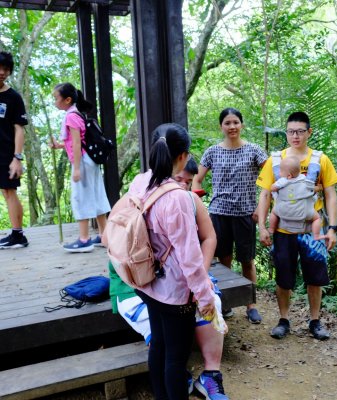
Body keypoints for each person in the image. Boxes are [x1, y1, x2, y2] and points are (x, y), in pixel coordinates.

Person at [109, 157, 229, 400]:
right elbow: (188, 257)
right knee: (174, 356)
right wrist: (201, 291)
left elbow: (207, 240)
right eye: (179, 179)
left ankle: (206, 376)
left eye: (188, 181)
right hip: (169, 290)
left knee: (163, 350)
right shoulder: (172, 200)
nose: (183, 185)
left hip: (150, 286)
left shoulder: (141, 190)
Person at [123, 123, 215, 400]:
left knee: (159, 347)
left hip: (147, 281)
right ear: (184, 156)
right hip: (175, 292)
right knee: (176, 358)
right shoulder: (177, 198)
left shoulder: (140, 182)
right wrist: (206, 296)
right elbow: (189, 256)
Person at [256, 111, 337, 340]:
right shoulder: (275, 161)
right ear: (286, 132)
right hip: (283, 231)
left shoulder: (320, 160)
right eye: (291, 131)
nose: (295, 136)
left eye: (300, 131)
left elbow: (331, 194)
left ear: (308, 132)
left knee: (315, 277)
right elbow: (265, 195)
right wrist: (263, 227)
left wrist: (332, 228)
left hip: (310, 231)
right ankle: (283, 319)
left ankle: (315, 321)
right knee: (284, 278)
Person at [192, 108, 268, 324]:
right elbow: (197, 179)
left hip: (246, 213)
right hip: (219, 213)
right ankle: (224, 302)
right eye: (227, 123)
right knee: (223, 259)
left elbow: (270, 178)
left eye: (235, 122)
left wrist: (261, 208)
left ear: (241, 125)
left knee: (247, 260)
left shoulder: (254, 150)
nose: (232, 126)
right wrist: (200, 207)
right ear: (221, 126)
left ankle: (251, 305)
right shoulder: (213, 152)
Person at [50, 83, 110, 253]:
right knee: (97, 195)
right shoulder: (77, 113)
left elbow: (77, 144)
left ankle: (84, 239)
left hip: (82, 161)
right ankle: (104, 235)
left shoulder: (70, 116)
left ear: (67, 100)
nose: (55, 102)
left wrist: (76, 169)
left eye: (56, 98)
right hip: (90, 160)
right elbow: (76, 141)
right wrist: (59, 146)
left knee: (80, 197)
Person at [0, 51, 29, 249]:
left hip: (6, 153)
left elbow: (19, 129)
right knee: (6, 192)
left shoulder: (13, 97)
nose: (2, 72)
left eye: (6, 69)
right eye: (0, 69)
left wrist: (16, 158)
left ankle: (18, 235)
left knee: (10, 191)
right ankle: (16, 234)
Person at [268, 155, 322, 239]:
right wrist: (319, 187)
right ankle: (316, 235)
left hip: (283, 210)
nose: (279, 173)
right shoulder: (305, 180)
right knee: (317, 218)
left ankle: (271, 229)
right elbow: (313, 189)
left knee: (274, 213)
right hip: (304, 212)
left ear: (289, 175)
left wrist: (274, 186)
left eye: (281, 171)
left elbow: (272, 188)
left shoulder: (282, 181)